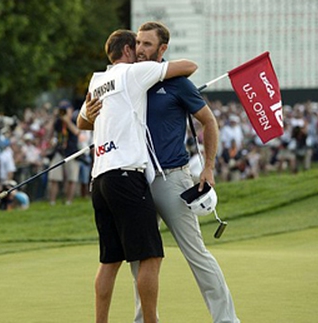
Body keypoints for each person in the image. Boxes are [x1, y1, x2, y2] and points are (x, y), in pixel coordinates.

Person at [82, 22, 240, 323]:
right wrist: (87, 118)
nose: (140, 49)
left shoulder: (176, 82)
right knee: (140, 259)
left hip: (172, 178)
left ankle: (227, 319)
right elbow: (92, 119)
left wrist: (208, 166)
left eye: (147, 44)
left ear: (162, 49)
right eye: (138, 43)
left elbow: (209, 122)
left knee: (196, 253)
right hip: (136, 180)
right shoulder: (125, 78)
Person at [77, 29, 197, 323]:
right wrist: (156, 68)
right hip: (127, 176)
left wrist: (90, 116)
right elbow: (189, 66)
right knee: (150, 255)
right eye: (138, 46)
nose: (141, 51)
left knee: (110, 260)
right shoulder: (133, 73)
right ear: (128, 51)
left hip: (100, 179)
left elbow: (82, 122)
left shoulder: (97, 81)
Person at [48, 100, 80, 206]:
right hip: (59, 151)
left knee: (72, 178)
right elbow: (49, 133)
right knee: (54, 176)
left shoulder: (75, 120)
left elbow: (77, 132)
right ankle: (52, 202)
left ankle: (69, 201)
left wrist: (67, 121)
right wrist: (54, 118)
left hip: (72, 151)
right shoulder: (58, 122)